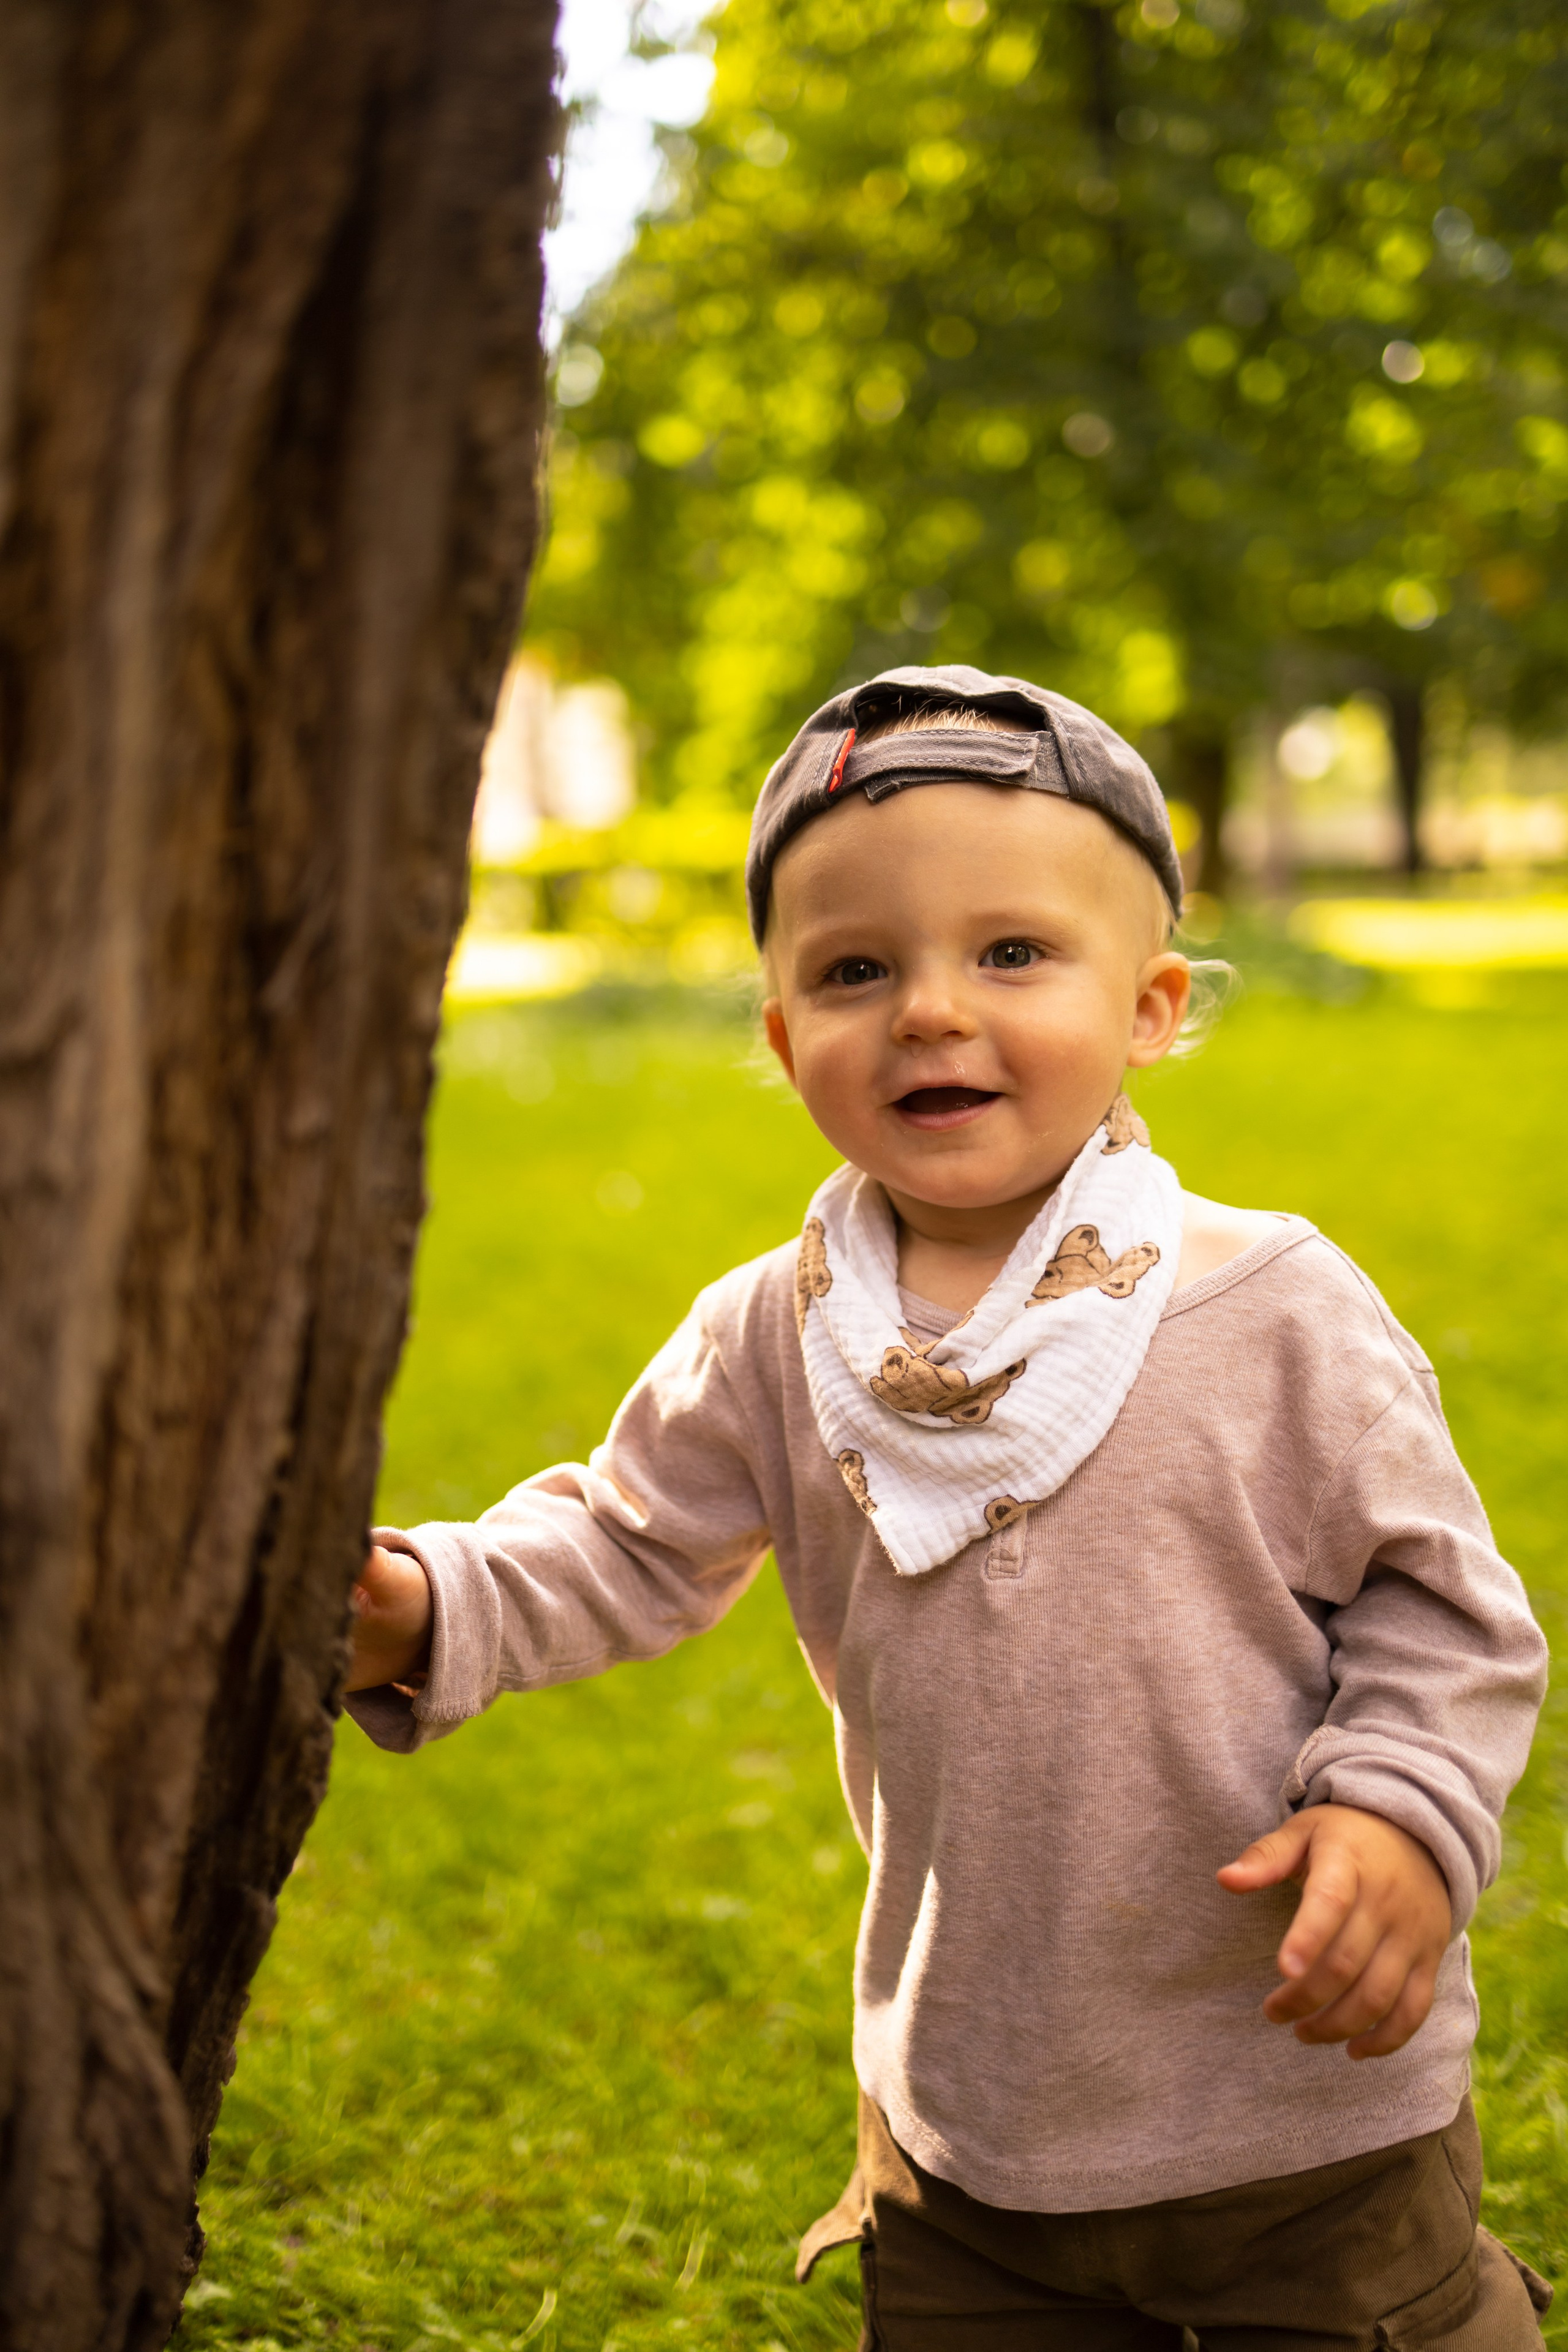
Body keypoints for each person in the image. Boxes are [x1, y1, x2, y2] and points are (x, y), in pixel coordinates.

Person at [346, 664, 1551, 2350]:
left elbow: (1443, 1605)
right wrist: (422, 1603)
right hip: (975, 2130)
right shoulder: (778, 1332)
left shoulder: (1274, 1302)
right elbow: (622, 1543)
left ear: (1149, 1007)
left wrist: (1402, 1813)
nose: (926, 1008)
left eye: (1011, 954)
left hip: (1296, 2111)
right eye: (855, 970)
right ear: (784, 1038)